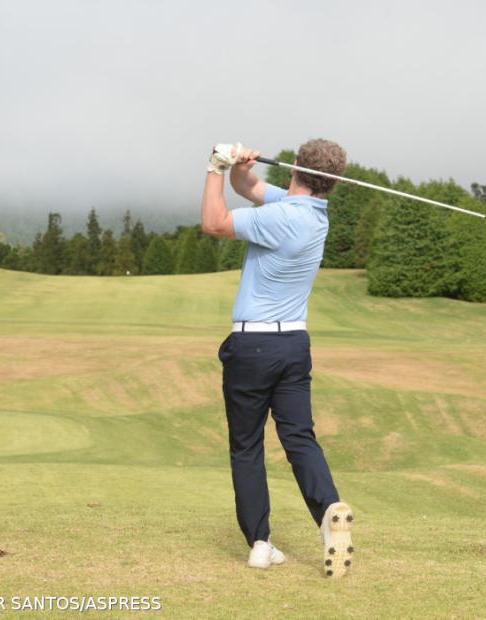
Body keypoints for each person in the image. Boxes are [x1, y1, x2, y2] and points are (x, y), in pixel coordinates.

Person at [200, 139, 356, 577]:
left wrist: (214, 168)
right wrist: (239, 168)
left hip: (253, 347)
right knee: (299, 438)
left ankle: (259, 542)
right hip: (293, 346)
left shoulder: (282, 216)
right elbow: (250, 189)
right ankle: (329, 511)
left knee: (247, 445)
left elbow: (213, 222)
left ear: (295, 168)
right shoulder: (313, 214)